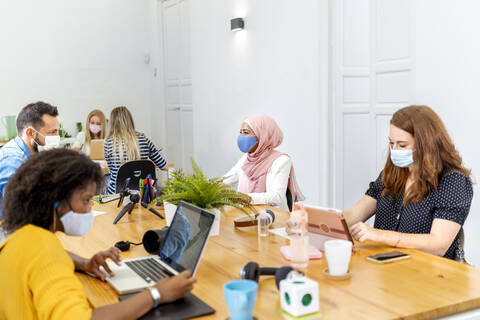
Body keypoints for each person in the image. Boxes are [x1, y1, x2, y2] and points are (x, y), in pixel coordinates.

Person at [0, 149, 196, 319]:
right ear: (55, 201)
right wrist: (156, 294)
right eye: (86, 200)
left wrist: (84, 263)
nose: (90, 207)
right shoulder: (45, 252)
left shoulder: (21, 237)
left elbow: (43, 260)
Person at [345, 105, 473, 261]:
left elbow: (438, 245)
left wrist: (379, 235)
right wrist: (315, 220)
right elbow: (353, 215)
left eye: (402, 145)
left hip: (427, 274)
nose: (395, 150)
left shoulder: (453, 182)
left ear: (426, 144)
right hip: (383, 268)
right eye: (391, 143)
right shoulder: (392, 173)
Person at [223, 114, 305, 211]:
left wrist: (246, 198)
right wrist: (217, 186)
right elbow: (226, 179)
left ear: (262, 135)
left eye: (246, 132)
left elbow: (276, 196)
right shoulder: (246, 158)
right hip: (245, 215)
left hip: (274, 218)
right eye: (240, 132)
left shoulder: (282, 160)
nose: (241, 137)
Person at [0, 101, 60, 218]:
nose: (56, 137)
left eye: (57, 131)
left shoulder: (35, 154)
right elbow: (20, 208)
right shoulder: (13, 161)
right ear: (30, 133)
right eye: (52, 132)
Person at [104, 106, 168, 194]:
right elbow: (163, 165)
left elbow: (112, 170)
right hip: (143, 194)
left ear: (112, 123)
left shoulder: (109, 143)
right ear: (130, 120)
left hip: (116, 195)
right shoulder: (143, 139)